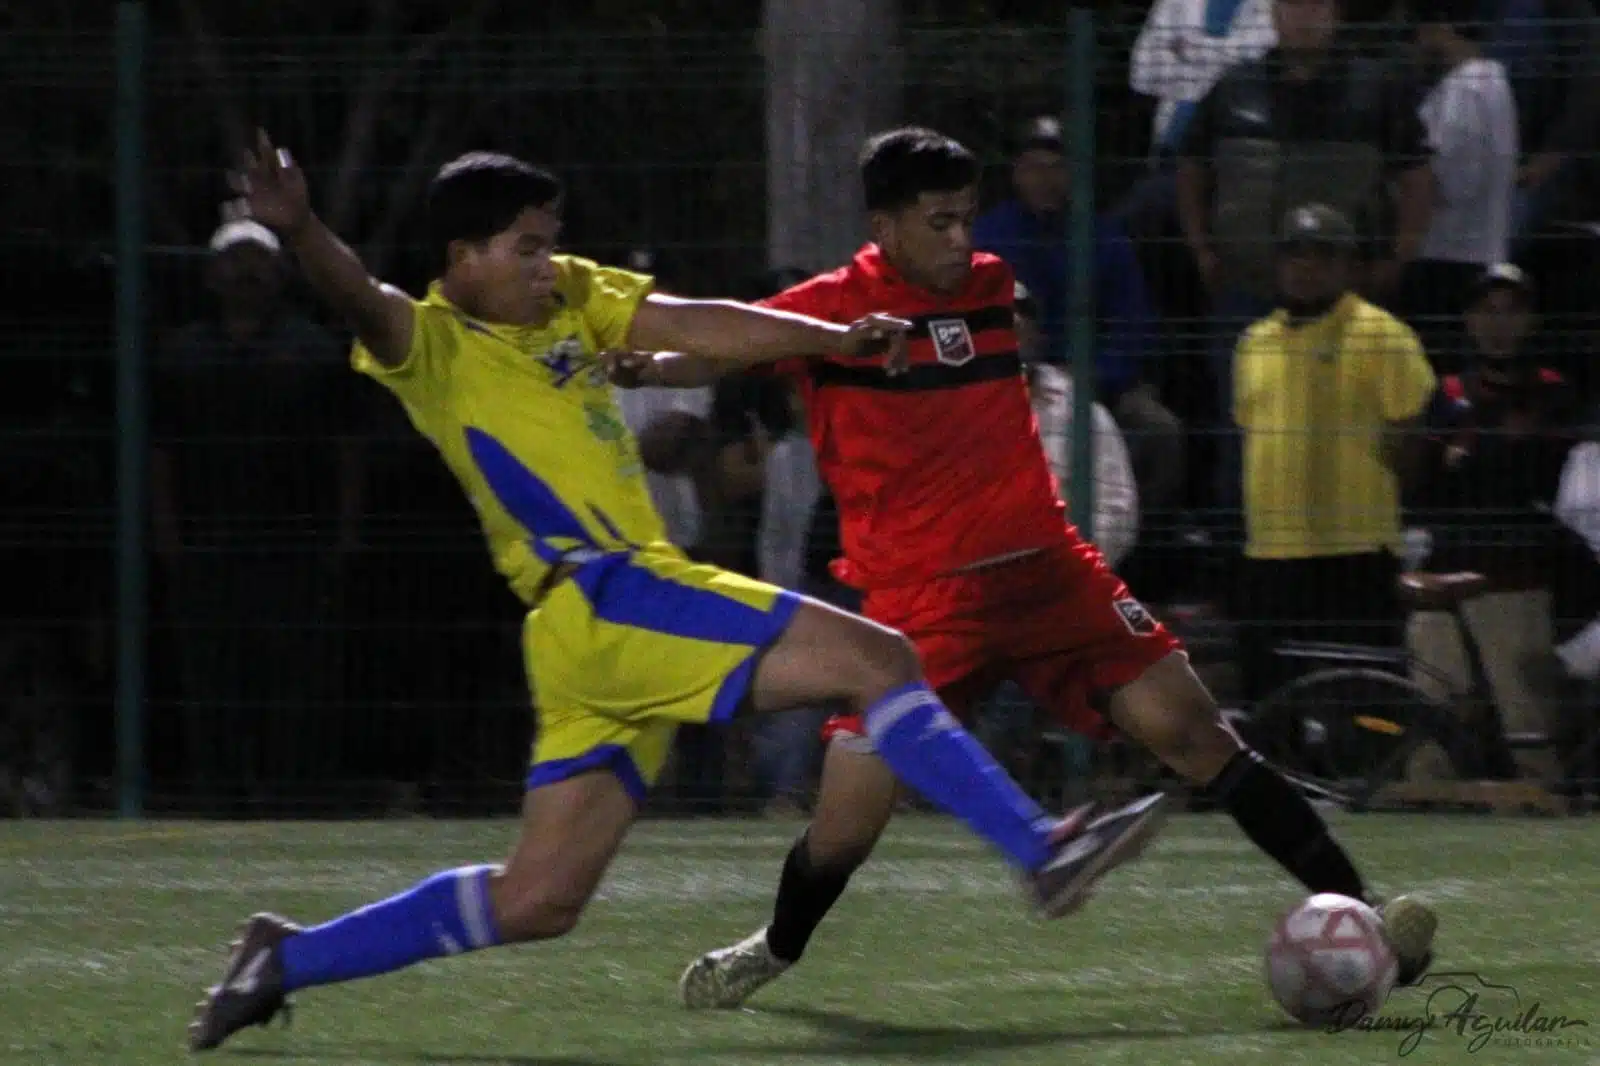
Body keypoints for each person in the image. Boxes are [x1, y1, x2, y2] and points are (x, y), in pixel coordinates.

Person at [186, 133, 1146, 1052]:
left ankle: (284, 958)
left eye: (548, 241)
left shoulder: (570, 297)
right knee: (880, 658)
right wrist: (302, 229)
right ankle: (1038, 848)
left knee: (538, 901)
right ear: (464, 255)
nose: (544, 261)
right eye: (525, 246)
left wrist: (834, 338)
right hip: (612, 593)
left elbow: (695, 325)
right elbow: (360, 297)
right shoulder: (432, 345)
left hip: (591, 632)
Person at [621, 128, 1439, 1010]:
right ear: (885, 224)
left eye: (966, 218)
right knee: (845, 823)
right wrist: (648, 361)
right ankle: (773, 949)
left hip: (1052, 574)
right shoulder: (832, 312)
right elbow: (719, 346)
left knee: (1197, 734)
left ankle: (1365, 915)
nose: (958, 240)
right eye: (937, 222)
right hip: (919, 610)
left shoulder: (990, 285)